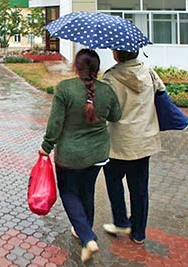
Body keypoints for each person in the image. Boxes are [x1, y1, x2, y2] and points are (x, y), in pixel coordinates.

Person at [39, 49, 121, 263]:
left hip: (70, 155)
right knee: (87, 190)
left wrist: (46, 146)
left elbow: (55, 123)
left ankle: (86, 235)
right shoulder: (107, 90)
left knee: (68, 192)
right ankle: (83, 229)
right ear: (96, 68)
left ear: (76, 67)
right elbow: (116, 115)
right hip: (98, 154)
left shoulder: (65, 89)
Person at [101, 49, 165, 244]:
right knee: (139, 189)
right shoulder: (149, 72)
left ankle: (121, 220)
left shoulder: (110, 77)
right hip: (143, 141)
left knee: (113, 181)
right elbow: (161, 93)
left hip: (118, 143)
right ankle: (139, 233)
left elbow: (103, 109)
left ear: (116, 55)